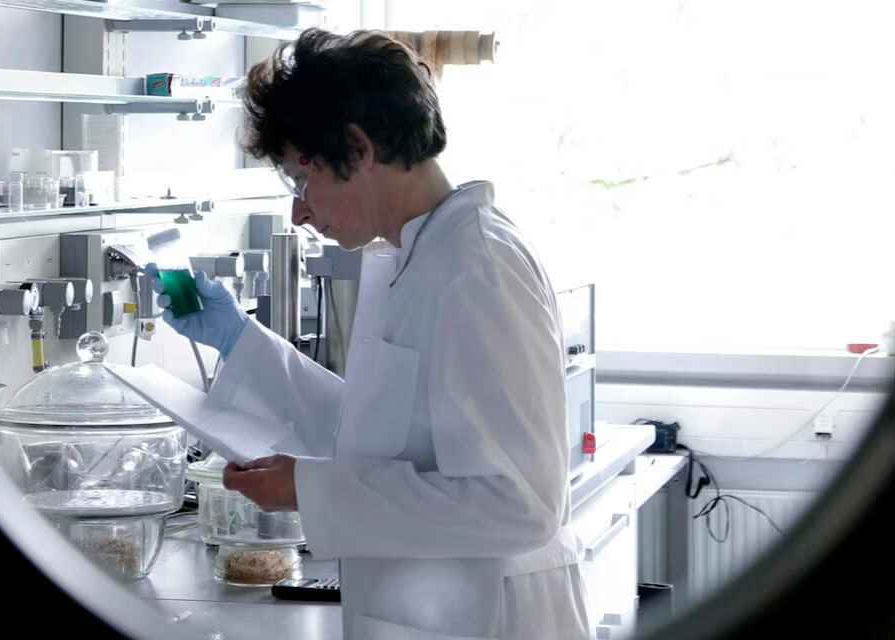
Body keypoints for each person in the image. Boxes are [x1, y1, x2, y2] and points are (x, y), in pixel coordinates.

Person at [149, 28, 590, 640]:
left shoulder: (476, 270)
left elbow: (519, 506)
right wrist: (237, 340)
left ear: (357, 149)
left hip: (488, 617)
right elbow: (371, 435)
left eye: (300, 183)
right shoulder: (419, 257)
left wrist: (311, 490)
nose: (299, 212)